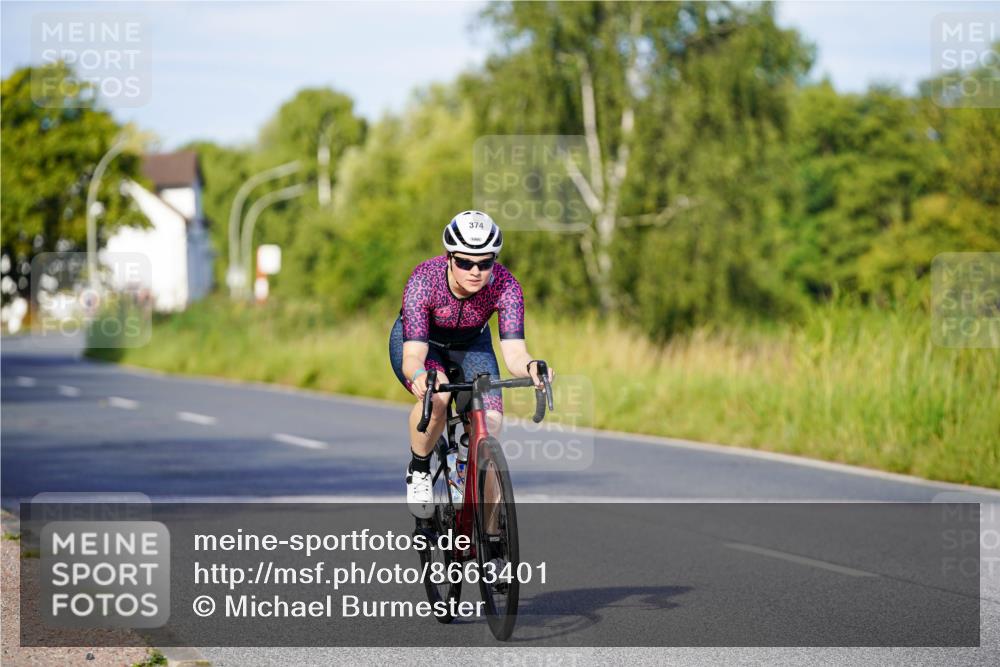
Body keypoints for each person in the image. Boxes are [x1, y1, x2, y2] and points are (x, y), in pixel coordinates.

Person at [388, 210, 553, 518]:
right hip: (424, 345)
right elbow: (412, 356)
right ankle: (420, 468)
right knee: (438, 398)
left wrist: (531, 367)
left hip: (472, 344)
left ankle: (492, 548)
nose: (476, 271)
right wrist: (422, 376)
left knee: (489, 424)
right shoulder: (425, 280)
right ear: (449, 257)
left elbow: (515, 353)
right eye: (465, 262)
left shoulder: (506, 286)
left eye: (485, 262)